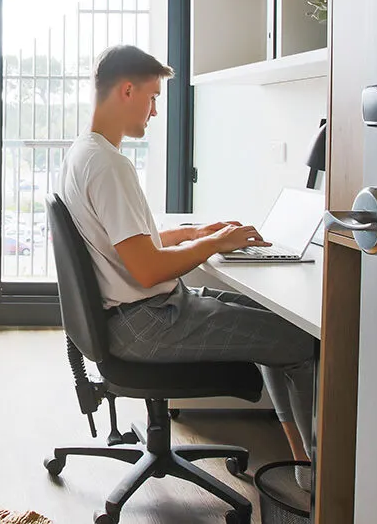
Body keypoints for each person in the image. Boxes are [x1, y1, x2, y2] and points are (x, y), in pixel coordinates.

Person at [57, 44, 317, 490]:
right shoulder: (109, 165)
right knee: (300, 341)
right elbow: (147, 270)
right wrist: (216, 243)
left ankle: (301, 460)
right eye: (153, 97)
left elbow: (129, 244)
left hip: (136, 316)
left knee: (277, 323)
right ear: (127, 91)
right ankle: (316, 472)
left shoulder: (84, 153)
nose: (155, 111)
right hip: (148, 322)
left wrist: (195, 233)